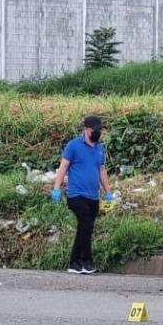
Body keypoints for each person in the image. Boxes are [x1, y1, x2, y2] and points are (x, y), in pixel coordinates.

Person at [51, 115, 111, 274]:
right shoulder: (74, 146)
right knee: (86, 225)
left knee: (84, 228)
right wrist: (57, 188)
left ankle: (74, 263)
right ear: (86, 129)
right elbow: (63, 167)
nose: (98, 133)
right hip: (76, 194)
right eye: (95, 130)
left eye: (100, 130)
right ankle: (87, 262)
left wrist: (108, 191)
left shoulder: (100, 148)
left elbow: (102, 170)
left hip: (93, 196)